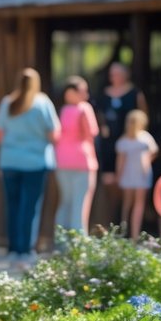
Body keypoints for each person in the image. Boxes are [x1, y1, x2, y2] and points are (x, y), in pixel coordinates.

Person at [0, 68, 60, 269]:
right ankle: (25, 250)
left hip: (10, 160)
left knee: (12, 205)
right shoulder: (43, 103)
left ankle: (13, 249)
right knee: (30, 207)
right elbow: (54, 134)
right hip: (35, 162)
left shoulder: (8, 102)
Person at [93, 61, 147, 227]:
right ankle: (111, 225)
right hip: (108, 149)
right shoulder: (103, 95)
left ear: (126, 75)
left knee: (128, 187)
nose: (113, 77)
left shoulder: (135, 94)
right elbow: (97, 116)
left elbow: (143, 117)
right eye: (111, 74)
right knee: (109, 183)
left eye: (117, 73)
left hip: (129, 148)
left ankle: (129, 230)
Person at [53, 76, 98, 239]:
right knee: (80, 205)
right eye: (82, 90)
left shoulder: (63, 110)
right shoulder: (84, 108)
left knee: (65, 203)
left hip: (61, 161)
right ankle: (79, 247)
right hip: (82, 161)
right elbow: (91, 132)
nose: (86, 94)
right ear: (71, 92)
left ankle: (61, 243)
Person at [116, 109, 159, 239]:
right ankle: (126, 233)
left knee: (136, 204)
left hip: (141, 174)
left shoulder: (145, 137)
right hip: (130, 174)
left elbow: (154, 151)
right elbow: (121, 161)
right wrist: (119, 176)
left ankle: (133, 235)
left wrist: (146, 161)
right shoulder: (124, 141)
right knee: (129, 203)